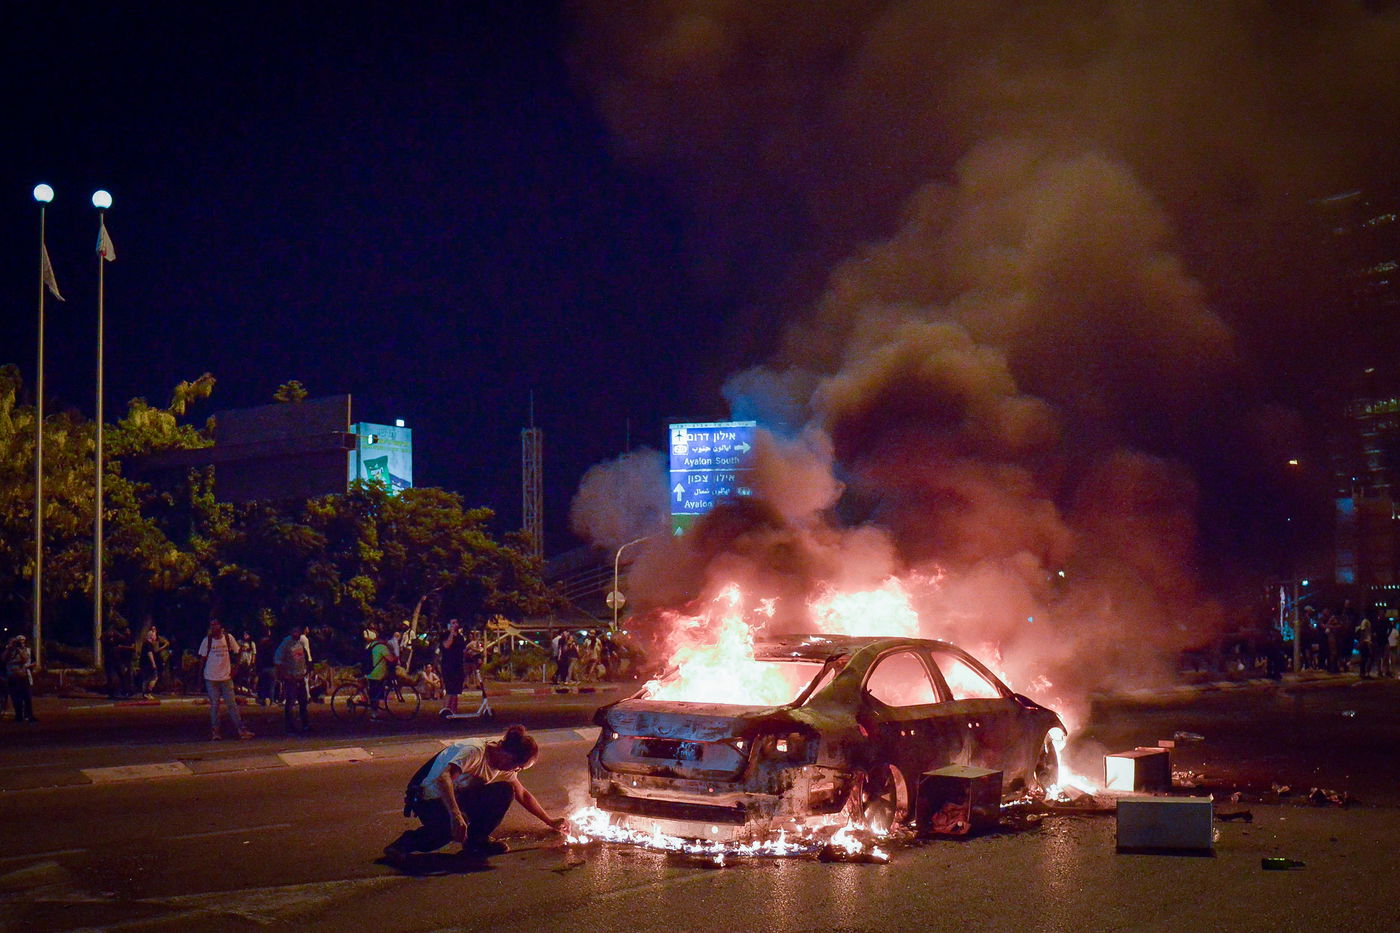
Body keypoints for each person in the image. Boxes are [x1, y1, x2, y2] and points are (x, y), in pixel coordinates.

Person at [383, 724, 566, 860]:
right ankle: (403, 845)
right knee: (446, 833)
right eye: (518, 766)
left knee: (505, 790)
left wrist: (550, 821)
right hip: (431, 799)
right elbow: (443, 779)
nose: (516, 770)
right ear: (508, 753)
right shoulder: (474, 752)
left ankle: (476, 842)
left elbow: (523, 794)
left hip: (458, 797)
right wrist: (456, 816)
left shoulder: (505, 766)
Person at [199, 619, 253, 740]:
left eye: (216, 624)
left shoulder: (228, 638)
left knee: (232, 705)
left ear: (221, 626)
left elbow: (238, 651)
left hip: (226, 677)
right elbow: (202, 658)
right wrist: (200, 676)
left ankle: (241, 730)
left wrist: (236, 668)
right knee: (215, 706)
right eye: (211, 625)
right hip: (211, 677)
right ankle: (216, 732)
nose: (213, 627)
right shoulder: (207, 640)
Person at [274, 624, 312, 734]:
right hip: (290, 677)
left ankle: (305, 725)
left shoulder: (303, 641)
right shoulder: (286, 642)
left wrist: (307, 670)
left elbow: (306, 656)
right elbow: (277, 658)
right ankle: (289, 726)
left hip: (300, 676)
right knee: (290, 702)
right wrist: (284, 674)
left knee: (303, 702)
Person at [5, 635, 37, 722]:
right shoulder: (8, 650)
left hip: (22, 676)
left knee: (26, 697)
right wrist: (10, 648)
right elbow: (3, 659)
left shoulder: (23, 650)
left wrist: (18, 649)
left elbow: (26, 659)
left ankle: (29, 715)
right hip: (12, 677)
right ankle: (19, 716)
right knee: (16, 698)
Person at [439, 620, 466, 715]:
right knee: (450, 689)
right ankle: (445, 710)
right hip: (448, 665)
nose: (455, 625)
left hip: (458, 666)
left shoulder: (460, 637)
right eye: (452, 623)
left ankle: (454, 712)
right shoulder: (445, 635)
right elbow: (447, 645)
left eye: (456, 623)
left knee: (456, 691)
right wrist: (451, 633)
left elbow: (464, 651)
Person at [365, 629, 394, 718]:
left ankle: (374, 710)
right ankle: (374, 714)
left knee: (373, 692)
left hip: (369, 672)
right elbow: (390, 659)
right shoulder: (382, 647)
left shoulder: (370, 645)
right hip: (378, 674)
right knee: (376, 694)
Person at [138, 626, 169, 698]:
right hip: (147, 664)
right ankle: (148, 692)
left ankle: (145, 693)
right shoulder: (148, 644)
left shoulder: (146, 643)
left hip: (144, 664)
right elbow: (150, 654)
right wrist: (153, 663)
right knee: (154, 677)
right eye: (154, 635)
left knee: (146, 678)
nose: (155, 637)